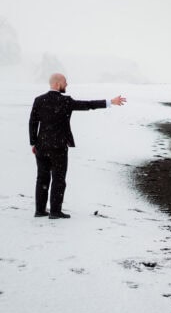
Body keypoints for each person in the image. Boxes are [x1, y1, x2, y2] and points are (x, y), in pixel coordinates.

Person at [28, 73, 126, 219]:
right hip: (58, 147)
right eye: (65, 82)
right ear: (57, 84)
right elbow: (88, 105)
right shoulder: (65, 101)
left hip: (42, 146)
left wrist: (34, 143)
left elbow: (32, 123)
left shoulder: (39, 100)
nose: (67, 84)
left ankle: (40, 210)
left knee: (42, 178)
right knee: (58, 179)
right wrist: (110, 102)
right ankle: (55, 212)